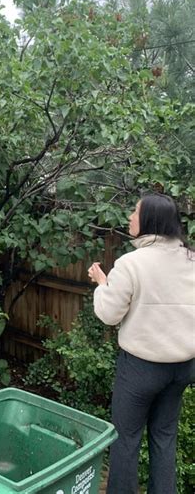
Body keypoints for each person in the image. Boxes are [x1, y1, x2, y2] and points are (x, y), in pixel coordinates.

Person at [88, 193, 194, 494]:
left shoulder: (132, 263)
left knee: (126, 439)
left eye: (135, 212)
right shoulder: (192, 260)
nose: (130, 217)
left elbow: (109, 314)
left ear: (150, 221)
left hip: (140, 370)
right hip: (182, 369)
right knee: (164, 436)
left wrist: (102, 283)